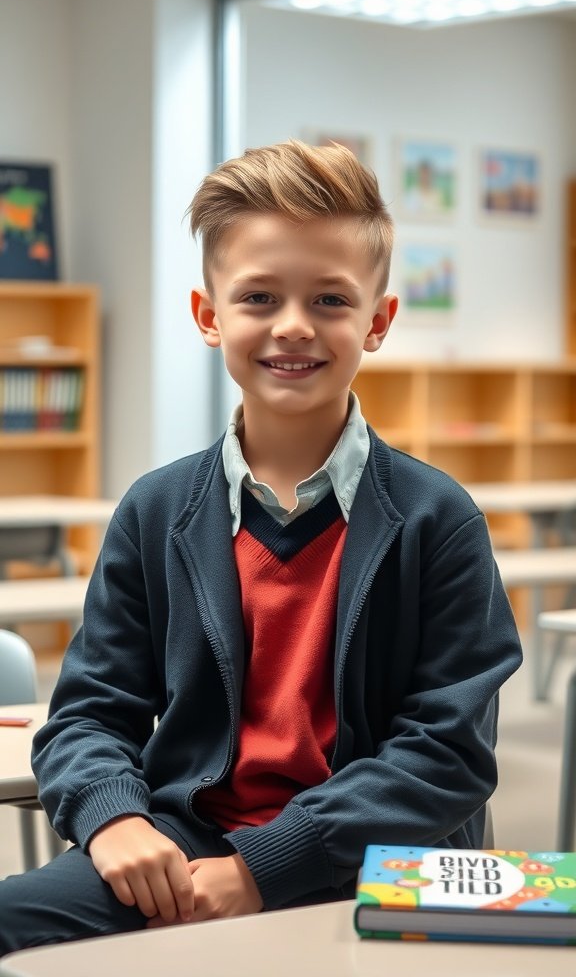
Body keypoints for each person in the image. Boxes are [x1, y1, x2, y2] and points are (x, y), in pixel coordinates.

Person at [0, 139, 522, 954]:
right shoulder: (155, 510)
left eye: (329, 300)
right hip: (185, 849)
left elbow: (447, 754)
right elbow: (90, 713)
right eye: (258, 297)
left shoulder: (437, 518)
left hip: (376, 860)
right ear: (210, 317)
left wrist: (262, 867)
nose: (292, 326)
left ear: (377, 322)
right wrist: (114, 819)